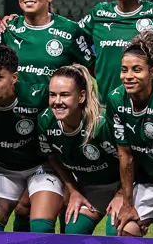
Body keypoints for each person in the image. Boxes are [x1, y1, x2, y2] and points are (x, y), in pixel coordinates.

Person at [0, 46, 63, 233]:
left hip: (40, 167)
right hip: (2, 169)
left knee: (41, 227)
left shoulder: (37, 97)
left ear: (14, 78)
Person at [38, 65, 137, 235]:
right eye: (53, 95)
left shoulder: (101, 125)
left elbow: (131, 159)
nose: (57, 101)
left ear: (81, 96)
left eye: (65, 95)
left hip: (124, 184)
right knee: (74, 229)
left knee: (117, 230)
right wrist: (74, 190)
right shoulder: (45, 121)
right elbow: (52, 157)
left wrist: (122, 194)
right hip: (91, 188)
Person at [108, 32, 153, 237]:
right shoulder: (116, 100)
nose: (128, 76)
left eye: (137, 70)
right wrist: (127, 202)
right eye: (124, 70)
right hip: (145, 181)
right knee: (121, 230)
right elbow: (125, 155)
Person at [0, 0, 93, 110]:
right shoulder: (9, 29)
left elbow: (93, 69)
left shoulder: (70, 30)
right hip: (15, 115)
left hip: (55, 115)